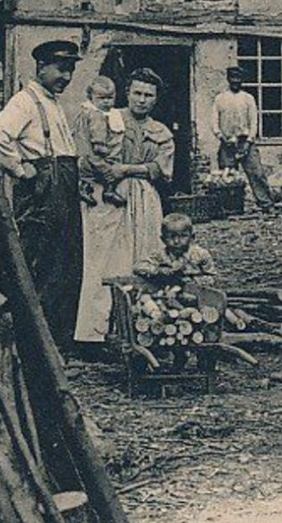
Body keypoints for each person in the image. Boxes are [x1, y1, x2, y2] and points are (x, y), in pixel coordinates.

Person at [0, 39, 85, 347]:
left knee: (66, 268)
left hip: (63, 188)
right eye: (61, 69)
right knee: (43, 267)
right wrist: (19, 169)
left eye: (70, 70)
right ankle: (37, 345)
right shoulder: (25, 101)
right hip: (43, 194)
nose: (67, 77)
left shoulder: (52, 102)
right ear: (41, 66)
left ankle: (58, 344)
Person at [74, 68, 175, 344]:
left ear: (155, 99)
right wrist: (103, 171)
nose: (142, 100)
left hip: (144, 198)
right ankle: (95, 334)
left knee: (145, 259)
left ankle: (145, 329)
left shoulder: (161, 132)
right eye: (137, 93)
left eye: (149, 95)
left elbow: (162, 169)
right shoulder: (108, 119)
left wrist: (126, 169)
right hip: (110, 199)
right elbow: (85, 152)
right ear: (127, 93)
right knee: (103, 262)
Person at [213, 65, 273, 210]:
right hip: (227, 143)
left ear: (242, 80)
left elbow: (254, 122)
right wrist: (222, 138)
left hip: (245, 141)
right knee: (228, 177)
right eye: (232, 78)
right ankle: (230, 207)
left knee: (257, 173)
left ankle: (265, 203)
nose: (235, 81)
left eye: (238, 78)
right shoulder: (220, 98)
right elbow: (214, 122)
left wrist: (248, 141)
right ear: (228, 79)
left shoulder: (248, 98)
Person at [73, 76, 126, 207]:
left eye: (110, 98)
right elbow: (97, 132)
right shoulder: (95, 114)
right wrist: (100, 145)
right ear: (91, 98)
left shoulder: (107, 113)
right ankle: (100, 189)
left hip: (95, 154)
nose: (106, 102)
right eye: (102, 98)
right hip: (95, 152)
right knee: (105, 170)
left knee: (97, 171)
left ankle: (99, 189)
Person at [135, 213, 217, 281]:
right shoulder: (160, 255)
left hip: (196, 291)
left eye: (183, 236)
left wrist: (193, 280)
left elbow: (212, 276)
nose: (176, 241)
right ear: (163, 239)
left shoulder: (200, 254)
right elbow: (139, 267)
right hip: (168, 289)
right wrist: (159, 271)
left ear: (192, 237)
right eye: (171, 237)